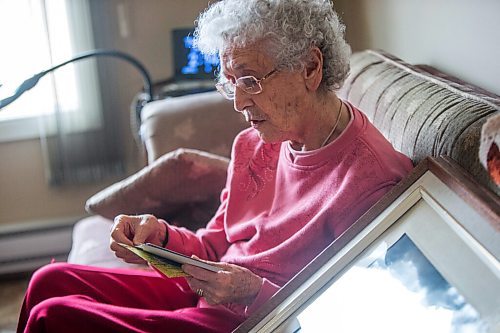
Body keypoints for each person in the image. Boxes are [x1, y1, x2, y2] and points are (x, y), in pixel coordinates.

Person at [17, 0, 413, 332]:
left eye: (251, 81)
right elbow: (211, 246)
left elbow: (350, 318)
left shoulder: (372, 183)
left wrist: (251, 292)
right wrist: (160, 238)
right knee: (49, 279)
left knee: (52, 317)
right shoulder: (255, 145)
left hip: (260, 320)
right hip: (208, 292)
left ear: (310, 68)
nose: (239, 103)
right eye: (230, 83)